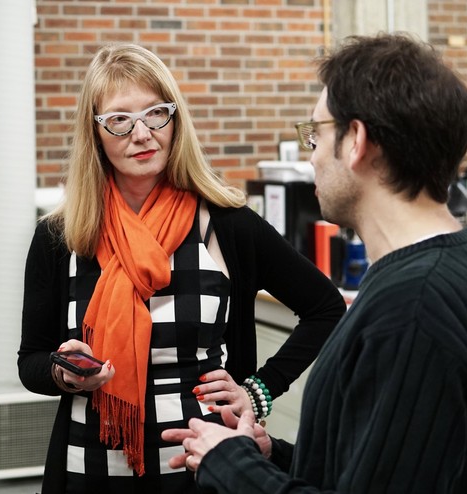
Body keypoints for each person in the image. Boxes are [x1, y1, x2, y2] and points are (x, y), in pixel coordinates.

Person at [162, 33, 467, 493]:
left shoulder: (414, 309)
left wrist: (229, 464)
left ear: (356, 142)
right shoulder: (464, 266)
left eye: (315, 135)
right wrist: (273, 457)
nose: (311, 156)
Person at [17, 42, 346, 494]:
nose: (141, 133)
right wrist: (62, 372)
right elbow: (30, 361)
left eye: (156, 113)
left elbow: (326, 308)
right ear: (94, 133)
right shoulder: (61, 236)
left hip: (204, 468)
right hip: (89, 469)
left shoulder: (228, 225)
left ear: (175, 119)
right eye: (119, 120)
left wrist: (258, 390)